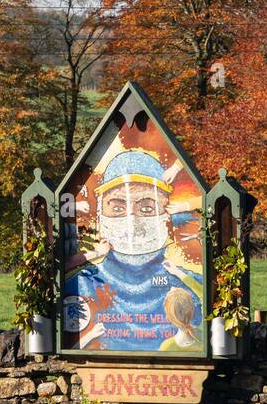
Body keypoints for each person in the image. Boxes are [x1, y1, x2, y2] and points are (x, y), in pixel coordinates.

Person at [62, 148, 203, 351]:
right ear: (101, 213)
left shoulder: (191, 287)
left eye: (146, 208)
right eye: (118, 208)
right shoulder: (80, 285)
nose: (132, 221)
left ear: (166, 214)